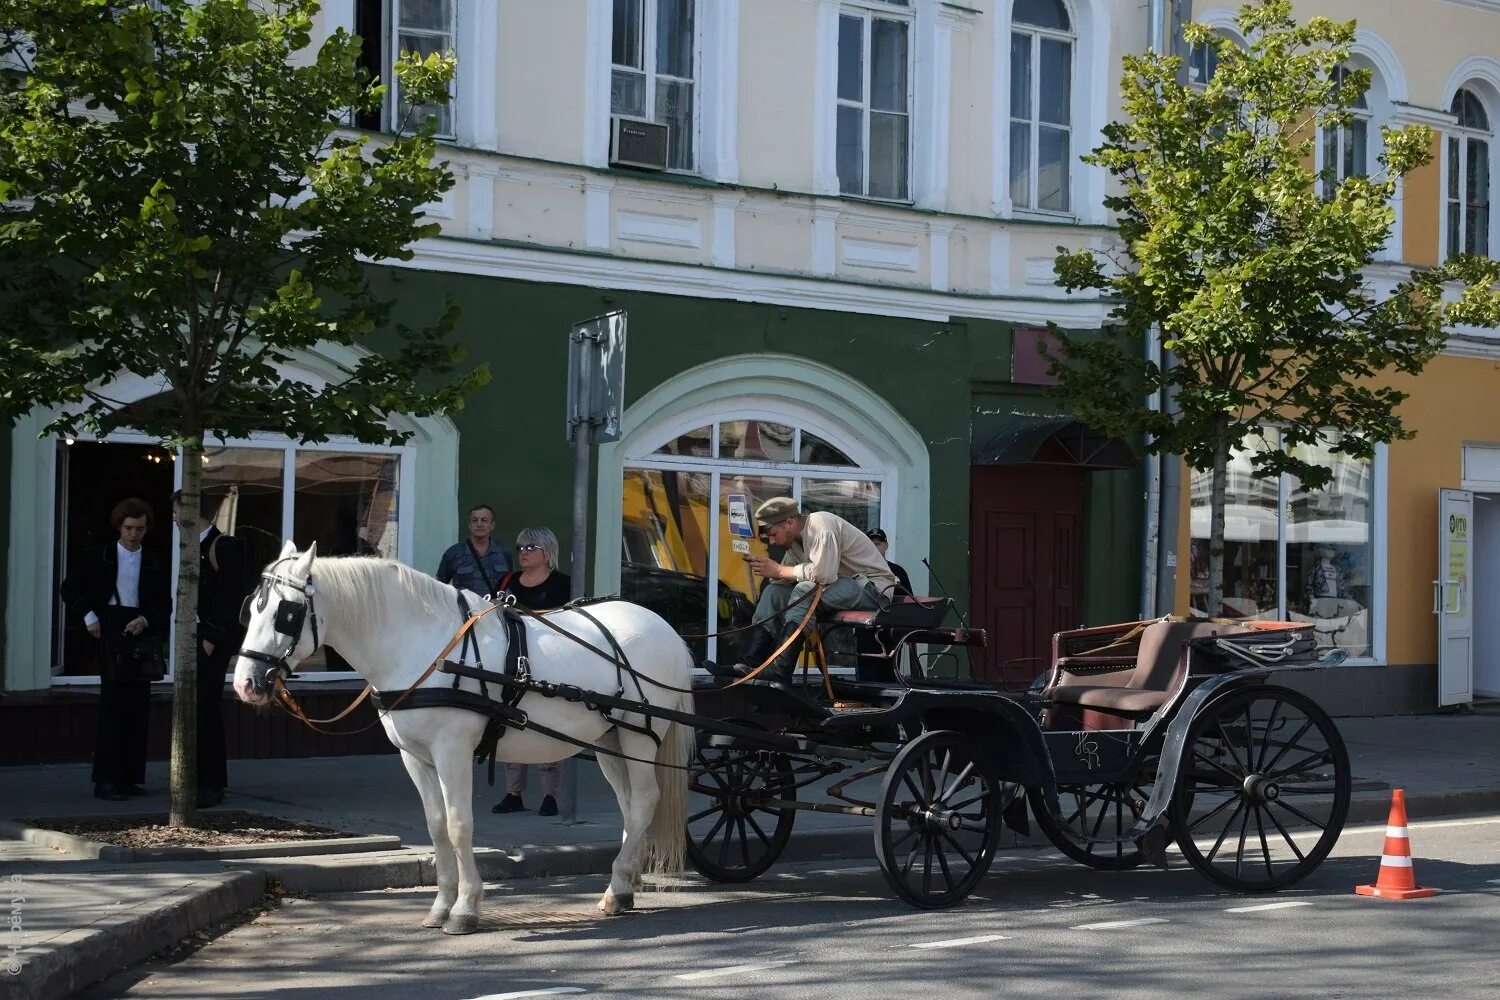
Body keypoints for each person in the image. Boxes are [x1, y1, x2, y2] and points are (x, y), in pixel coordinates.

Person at [719, 498, 896, 684]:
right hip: (844, 587)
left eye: (773, 534)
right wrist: (770, 570)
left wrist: (779, 570)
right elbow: (784, 579)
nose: (772, 541)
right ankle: (748, 665)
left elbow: (823, 575)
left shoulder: (821, 526)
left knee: (806, 590)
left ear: (789, 522)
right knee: (774, 593)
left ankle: (780, 671)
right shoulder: (795, 542)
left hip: (873, 590)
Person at [62, 498, 170, 801]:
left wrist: (146, 619)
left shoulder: (153, 560)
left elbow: (164, 603)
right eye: (128, 528)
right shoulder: (101, 555)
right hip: (109, 625)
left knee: (138, 707)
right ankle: (106, 780)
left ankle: (130, 777)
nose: (134, 534)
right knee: (113, 707)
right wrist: (89, 616)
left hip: (139, 627)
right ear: (119, 527)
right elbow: (70, 588)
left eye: (139, 528)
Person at [492, 527, 572, 817]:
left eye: (530, 547)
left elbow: (574, 622)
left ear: (547, 551)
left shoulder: (563, 584)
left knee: (546, 727)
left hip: (549, 664)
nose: (523, 552)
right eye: (520, 547)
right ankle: (513, 793)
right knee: (510, 726)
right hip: (512, 664)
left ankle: (550, 795)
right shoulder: (508, 581)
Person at [173, 492, 245, 809]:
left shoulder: (222, 546)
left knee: (206, 709)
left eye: (176, 512)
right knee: (197, 708)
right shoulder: (191, 546)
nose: (173, 518)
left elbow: (231, 595)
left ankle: (211, 783)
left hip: (210, 639)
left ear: (190, 512)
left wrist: (212, 635)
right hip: (194, 636)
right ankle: (197, 778)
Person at [436, 504, 512, 599]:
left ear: (492, 525)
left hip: (496, 610)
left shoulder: (504, 552)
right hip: (465, 611)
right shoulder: (453, 553)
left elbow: (508, 584)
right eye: (475, 520)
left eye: (484, 520)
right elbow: (439, 587)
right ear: (469, 525)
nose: (479, 524)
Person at [866, 528, 913, 596]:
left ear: (886, 546)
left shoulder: (898, 571)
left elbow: (909, 600)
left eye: (877, 544)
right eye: (870, 544)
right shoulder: (861, 570)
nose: (874, 547)